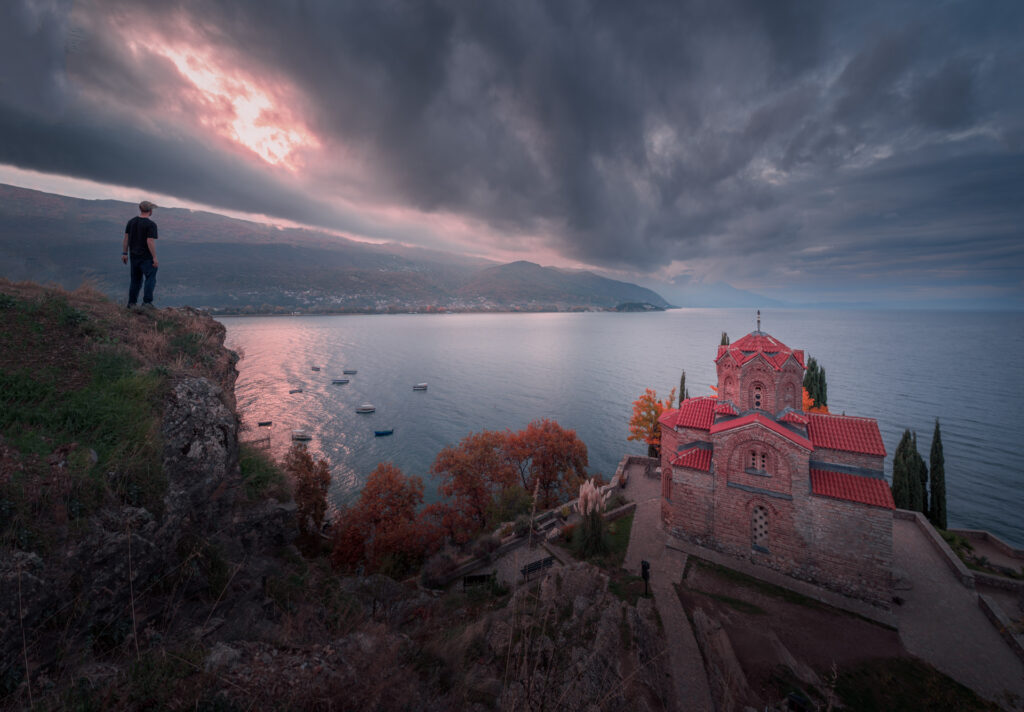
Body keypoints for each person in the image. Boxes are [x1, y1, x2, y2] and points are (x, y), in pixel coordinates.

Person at [122, 200, 159, 308]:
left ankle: (131, 303)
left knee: (135, 280)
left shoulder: (131, 222)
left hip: (133, 256)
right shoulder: (151, 225)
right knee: (150, 278)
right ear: (150, 211)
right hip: (146, 257)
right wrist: (154, 257)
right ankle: (147, 303)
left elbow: (126, 238)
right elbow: (150, 241)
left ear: (140, 209)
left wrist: (124, 253)